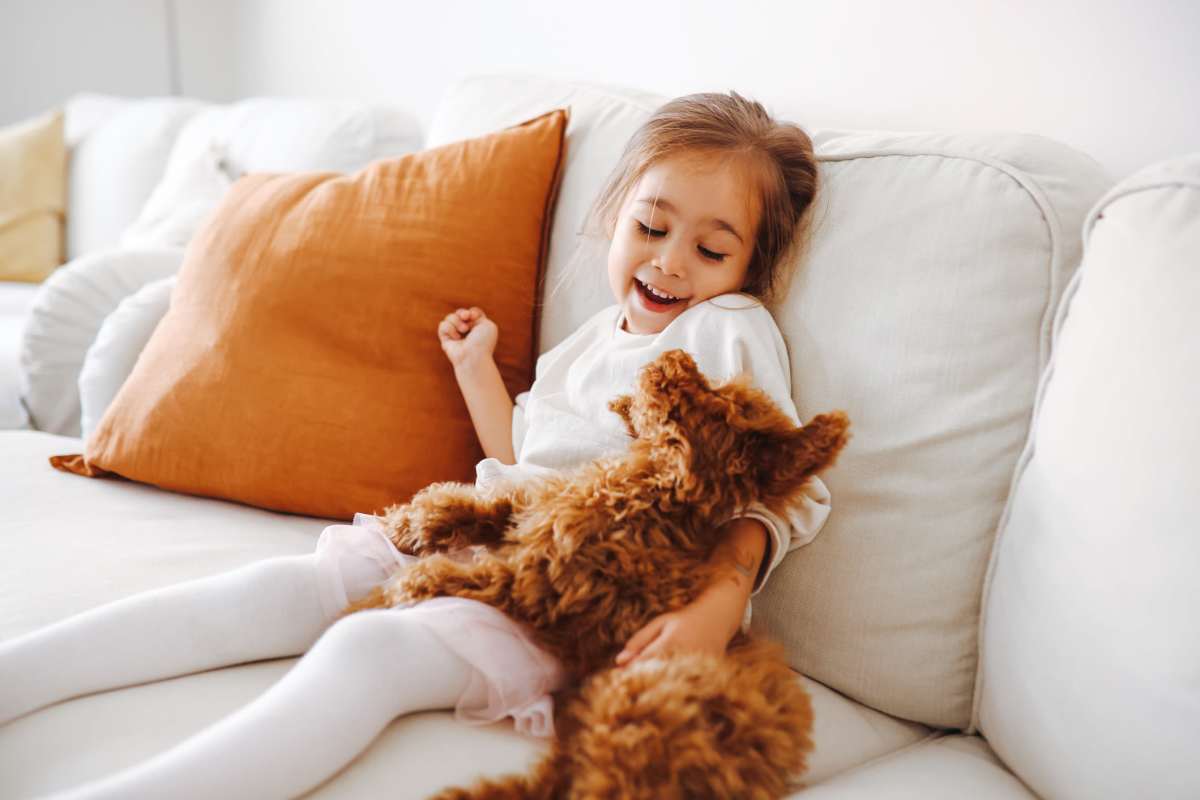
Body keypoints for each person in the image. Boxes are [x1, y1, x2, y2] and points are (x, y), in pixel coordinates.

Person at [0, 92, 832, 799]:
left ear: (750, 268)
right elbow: (524, 455)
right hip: (498, 536)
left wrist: (717, 605)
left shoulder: (729, 327)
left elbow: (771, 481)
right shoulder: (589, 341)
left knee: (373, 649)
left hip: (587, 597)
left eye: (711, 249)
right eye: (652, 226)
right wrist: (476, 370)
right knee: (284, 584)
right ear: (617, 219)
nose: (671, 263)